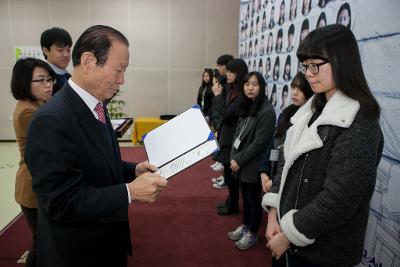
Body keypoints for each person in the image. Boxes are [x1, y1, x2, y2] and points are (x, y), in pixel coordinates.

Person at [25, 25, 168, 267]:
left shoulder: (96, 105)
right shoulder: (51, 120)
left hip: (106, 242)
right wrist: (130, 192)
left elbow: (95, 161)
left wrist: (133, 171)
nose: (122, 80)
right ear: (89, 61)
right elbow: (61, 203)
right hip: (78, 253)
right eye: (119, 70)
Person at [263, 24, 383, 267]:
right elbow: (287, 163)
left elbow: (338, 200)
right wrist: (273, 215)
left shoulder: (360, 122)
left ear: (341, 62)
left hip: (324, 254)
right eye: (305, 66)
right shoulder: (310, 110)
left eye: (314, 65)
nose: (308, 73)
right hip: (289, 239)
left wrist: (288, 234)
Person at [259, 72, 313, 267]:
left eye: (300, 88)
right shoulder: (286, 114)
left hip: (290, 199)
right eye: (293, 87)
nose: (294, 92)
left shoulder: (312, 121)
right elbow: (273, 148)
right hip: (274, 187)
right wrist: (264, 171)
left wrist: (275, 180)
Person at [11, 58, 56, 267]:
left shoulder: (37, 104)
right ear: (24, 83)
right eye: (40, 80)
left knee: (45, 239)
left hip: (36, 181)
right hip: (32, 185)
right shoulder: (29, 112)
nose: (48, 85)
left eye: (49, 79)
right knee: (42, 241)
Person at [228, 72, 276, 250]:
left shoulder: (267, 111)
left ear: (262, 87)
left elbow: (259, 143)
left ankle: (253, 233)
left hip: (254, 164)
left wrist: (238, 160)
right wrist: (233, 158)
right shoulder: (247, 105)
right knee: (246, 198)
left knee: (254, 201)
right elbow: (238, 134)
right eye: (247, 84)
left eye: (255, 84)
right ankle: (246, 225)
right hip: (241, 163)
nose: (250, 87)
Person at [214, 59, 249, 216]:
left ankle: (233, 204)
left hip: (234, 140)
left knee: (233, 177)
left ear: (238, 73)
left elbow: (226, 113)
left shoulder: (242, 94)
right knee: (228, 174)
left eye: (230, 72)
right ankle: (231, 201)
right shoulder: (231, 88)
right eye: (226, 71)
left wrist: (219, 95)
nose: (227, 75)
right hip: (226, 137)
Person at [40, 27, 72, 95]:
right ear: (46, 51)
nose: (66, 55)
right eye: (60, 50)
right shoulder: (42, 79)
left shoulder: (68, 76)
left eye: (68, 50)